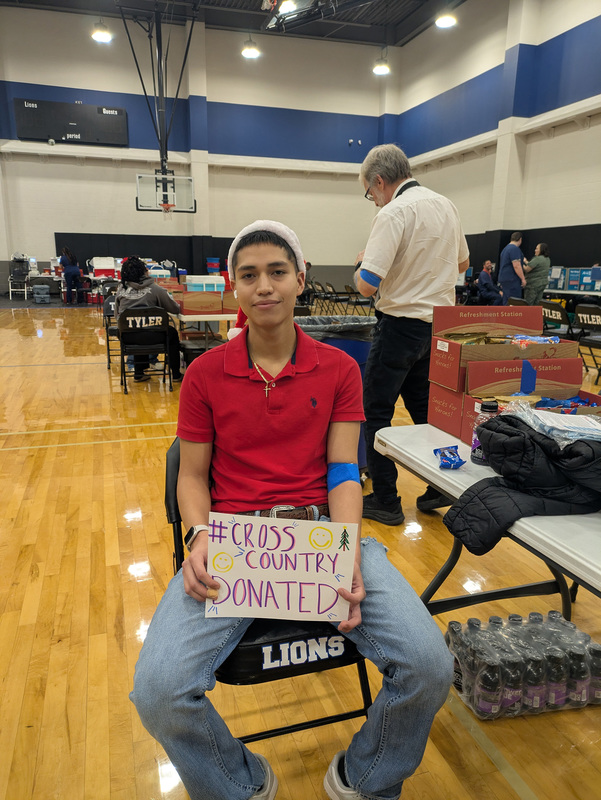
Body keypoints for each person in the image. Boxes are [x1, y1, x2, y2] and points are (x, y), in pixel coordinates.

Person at [130, 220, 453, 800]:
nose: (264, 287)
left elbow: (342, 473)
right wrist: (200, 536)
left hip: (325, 535)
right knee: (158, 690)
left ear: (301, 280)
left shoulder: (339, 370)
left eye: (277, 272)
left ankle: (365, 777)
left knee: (430, 665)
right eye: (249, 275)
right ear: (235, 287)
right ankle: (239, 785)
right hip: (234, 544)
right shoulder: (204, 374)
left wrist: (349, 549)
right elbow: (195, 476)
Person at [355, 144, 470, 525]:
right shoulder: (447, 205)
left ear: (380, 181)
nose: (373, 201)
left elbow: (367, 285)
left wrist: (362, 265)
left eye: (370, 193)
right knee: (426, 412)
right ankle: (440, 485)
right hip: (439, 328)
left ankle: (387, 500)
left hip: (400, 326)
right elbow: (463, 262)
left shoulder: (394, 212)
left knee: (375, 411)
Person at [114, 255, 184, 383]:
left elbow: (117, 316)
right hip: (154, 336)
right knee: (171, 333)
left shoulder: (121, 290)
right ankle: (176, 374)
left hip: (128, 338)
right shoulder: (155, 289)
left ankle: (139, 373)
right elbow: (175, 309)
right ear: (144, 271)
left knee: (136, 327)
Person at [498, 232, 526, 303]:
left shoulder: (505, 249)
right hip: (512, 280)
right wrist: (523, 279)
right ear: (520, 239)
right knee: (514, 303)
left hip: (504, 279)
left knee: (506, 302)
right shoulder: (514, 249)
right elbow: (516, 266)